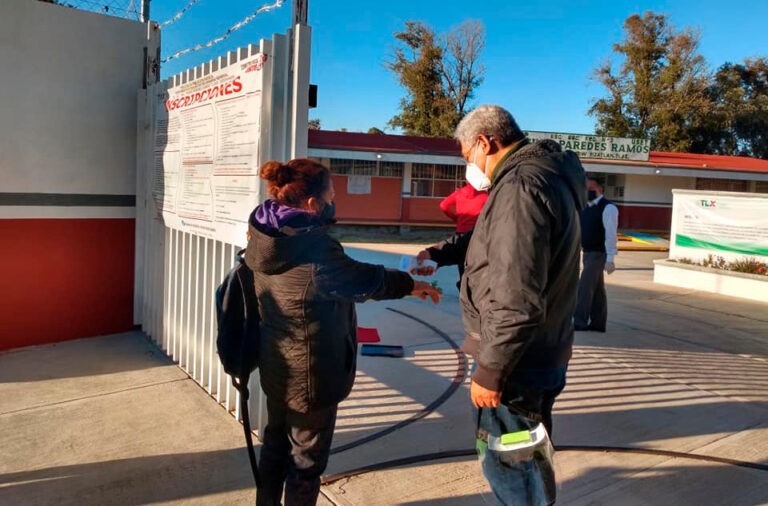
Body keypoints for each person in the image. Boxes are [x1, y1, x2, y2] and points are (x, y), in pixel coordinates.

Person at [244, 158, 441, 506]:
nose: (335, 201)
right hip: (311, 376)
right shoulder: (312, 248)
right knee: (305, 464)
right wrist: (411, 284)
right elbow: (362, 279)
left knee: (274, 448)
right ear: (312, 203)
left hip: (277, 364)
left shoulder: (264, 234)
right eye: (331, 195)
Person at [421, 105, 586, 505]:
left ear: (485, 142)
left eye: (467, 156)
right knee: (531, 456)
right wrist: (441, 252)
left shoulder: (519, 187)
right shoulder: (544, 176)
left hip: (517, 364)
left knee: (512, 464)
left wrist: (492, 368)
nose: (470, 167)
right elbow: (495, 239)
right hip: (543, 350)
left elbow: (517, 296)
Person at [574, 177, 619, 333]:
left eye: (590, 189)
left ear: (600, 189)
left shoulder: (608, 208)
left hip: (598, 254)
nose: (587, 192)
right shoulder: (585, 207)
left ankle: (579, 322)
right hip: (587, 253)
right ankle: (598, 323)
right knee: (597, 290)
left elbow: (611, 235)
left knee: (584, 288)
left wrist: (610, 258)